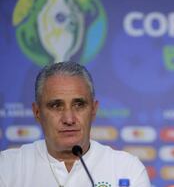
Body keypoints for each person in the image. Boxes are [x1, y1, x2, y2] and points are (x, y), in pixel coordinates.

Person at [0, 61, 151, 187]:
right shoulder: (7, 167)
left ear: (93, 110)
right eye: (56, 106)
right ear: (37, 112)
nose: (69, 119)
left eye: (79, 105)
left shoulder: (127, 169)